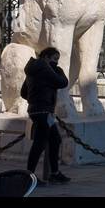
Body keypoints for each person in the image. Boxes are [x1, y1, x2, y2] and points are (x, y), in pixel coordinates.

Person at [23, 47, 71, 184]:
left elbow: (23, 92)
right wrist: (59, 71)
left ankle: (53, 173)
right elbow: (62, 82)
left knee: (54, 140)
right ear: (46, 57)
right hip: (43, 110)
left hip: (37, 110)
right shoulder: (44, 68)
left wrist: (34, 98)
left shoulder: (32, 70)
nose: (56, 62)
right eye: (55, 59)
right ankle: (30, 175)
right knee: (40, 144)